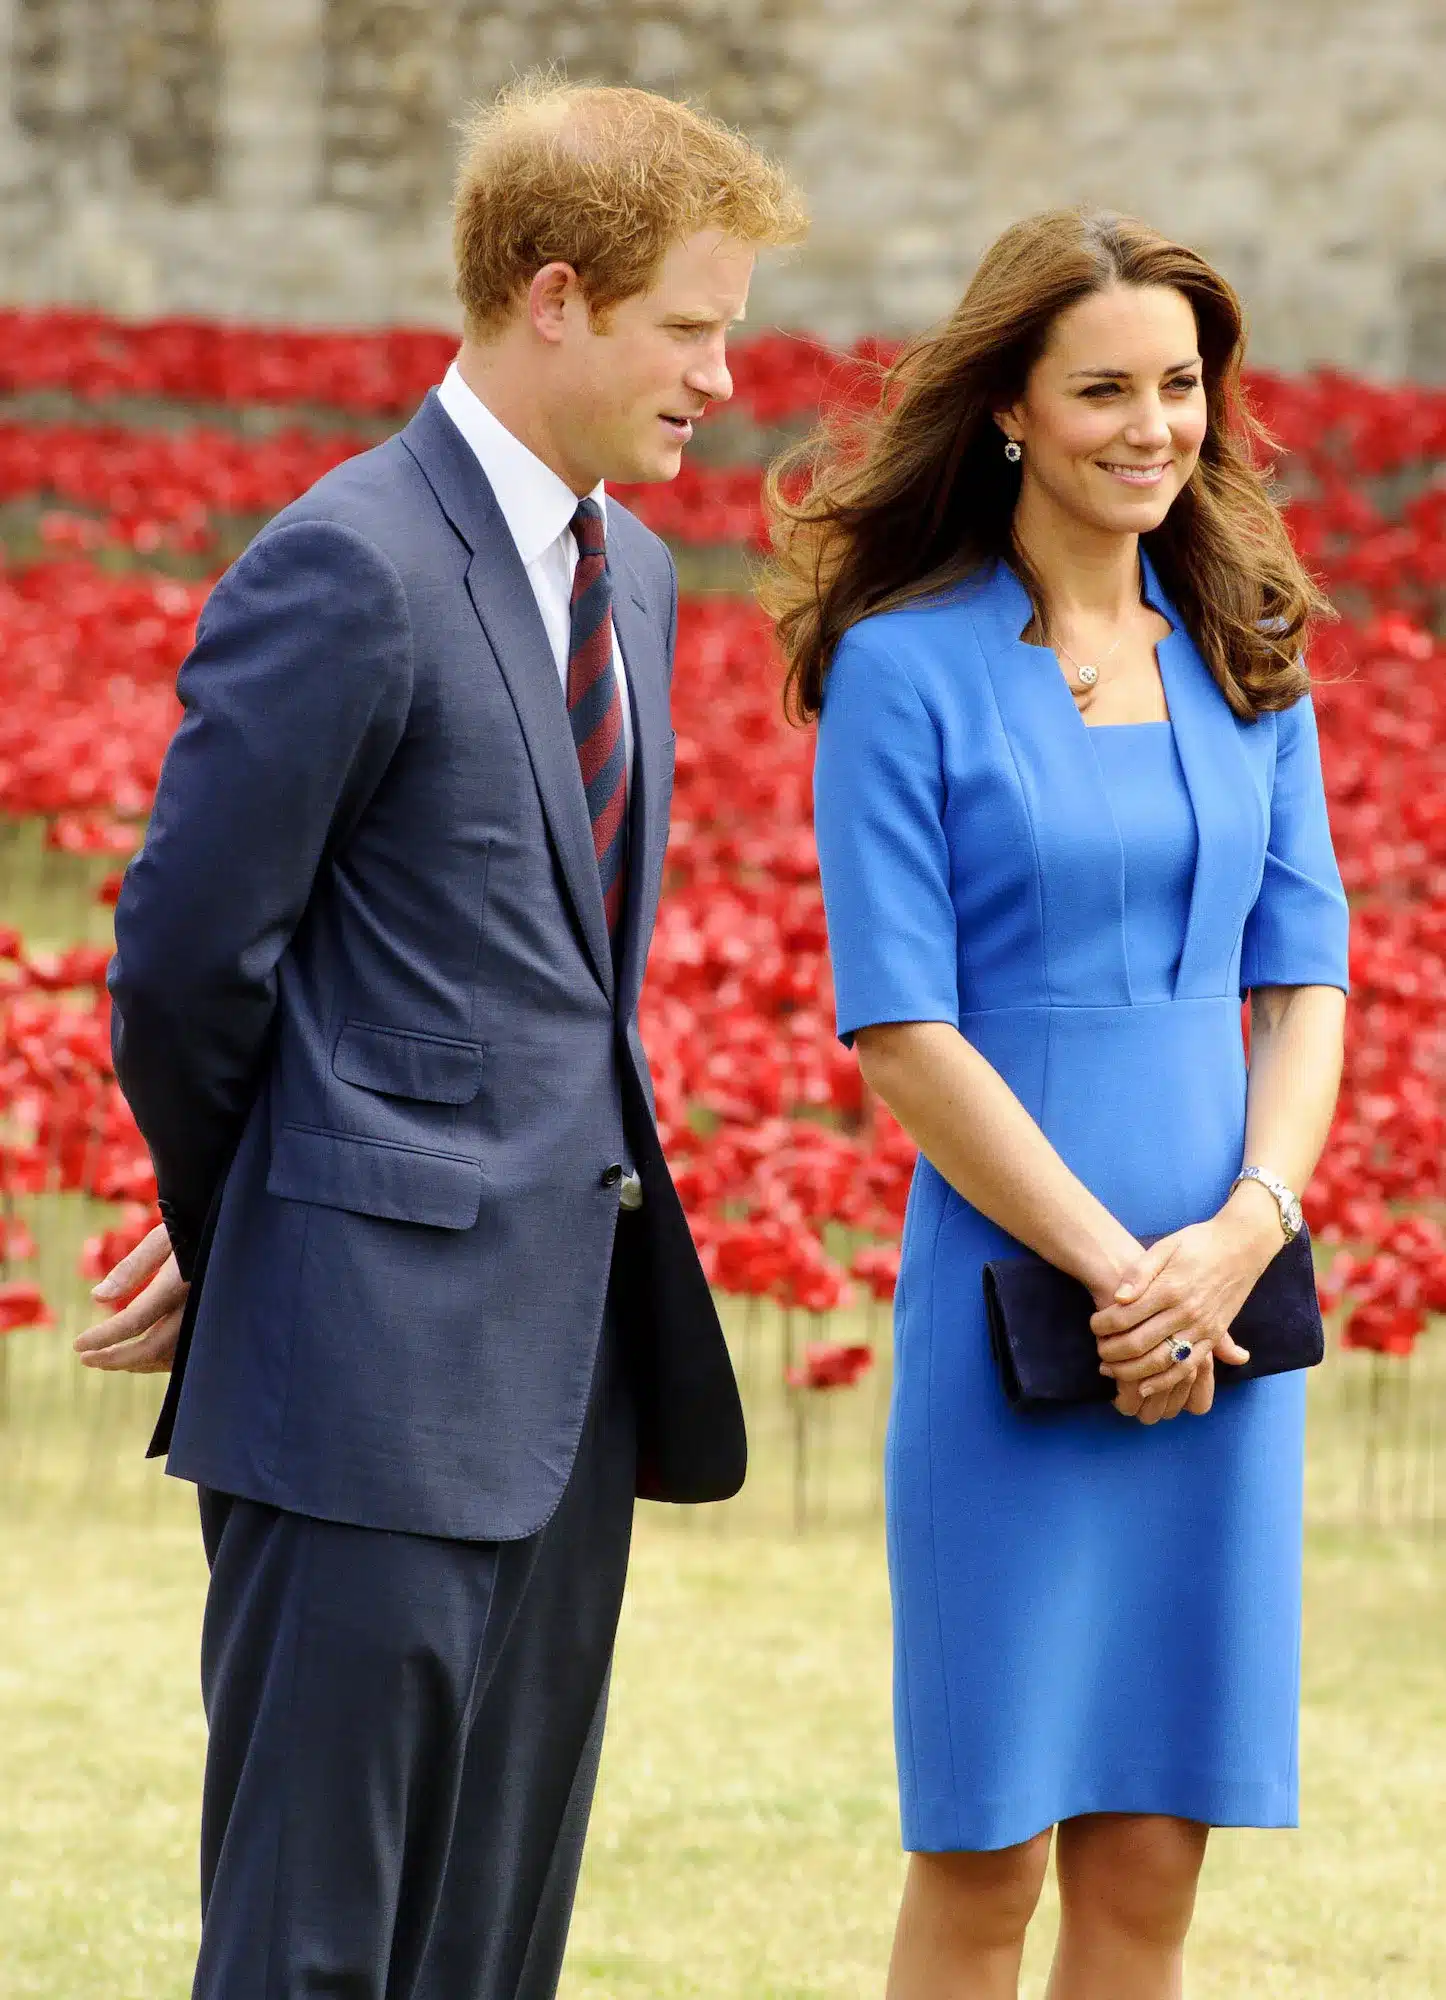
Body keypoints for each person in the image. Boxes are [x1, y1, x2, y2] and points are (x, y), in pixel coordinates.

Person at [76, 77, 806, 2000]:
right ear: (553, 299)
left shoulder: (627, 574)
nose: (723, 379)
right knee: (314, 1953)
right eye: (690, 329)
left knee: (493, 1950)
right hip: (356, 1394)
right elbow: (182, 964)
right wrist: (263, 1227)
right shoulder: (348, 564)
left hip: (563, 1389)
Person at [764, 208, 1349, 2000]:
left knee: (1154, 1862)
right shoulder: (901, 670)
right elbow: (903, 1030)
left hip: (1220, 1311)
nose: (1150, 426)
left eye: (1178, 385)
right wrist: (1123, 1278)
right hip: (1024, 1305)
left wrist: (1239, 1236)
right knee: (984, 1855)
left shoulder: (1249, 646)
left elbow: (1307, 977)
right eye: (1102, 388)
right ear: (1010, 407)